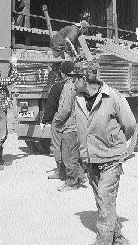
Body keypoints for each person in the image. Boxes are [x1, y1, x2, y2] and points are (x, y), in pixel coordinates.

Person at [69, 60, 136, 245]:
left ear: (84, 79)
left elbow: (129, 124)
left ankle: (103, 241)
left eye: (74, 78)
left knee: (105, 198)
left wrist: (115, 143)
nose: (72, 83)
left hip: (111, 159)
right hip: (91, 159)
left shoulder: (112, 96)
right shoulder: (78, 99)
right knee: (103, 201)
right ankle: (118, 237)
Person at [53, 63, 87, 192]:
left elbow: (65, 108)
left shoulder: (68, 87)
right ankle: (81, 176)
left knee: (68, 157)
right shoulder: (79, 86)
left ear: (63, 73)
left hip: (69, 126)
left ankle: (72, 183)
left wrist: (57, 120)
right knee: (75, 153)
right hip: (78, 124)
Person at [41, 61, 75, 180]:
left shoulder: (59, 87)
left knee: (57, 147)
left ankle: (61, 173)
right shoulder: (78, 85)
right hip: (75, 122)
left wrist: (47, 120)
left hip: (61, 122)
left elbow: (51, 106)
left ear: (61, 73)